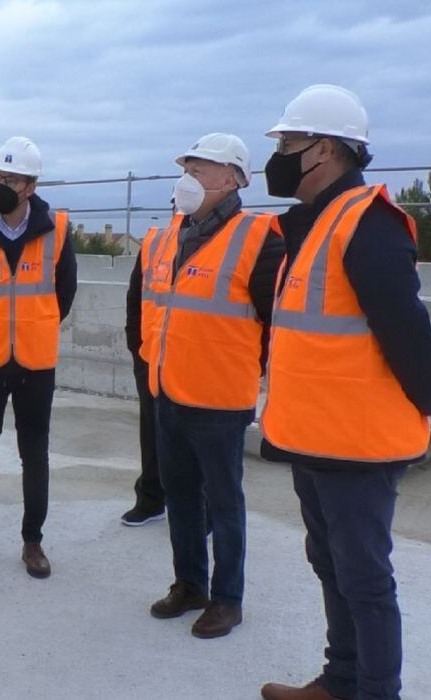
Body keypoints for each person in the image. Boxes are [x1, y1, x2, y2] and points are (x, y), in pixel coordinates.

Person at [258, 85, 431, 700]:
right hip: (313, 437)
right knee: (330, 565)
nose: (281, 154)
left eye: (289, 142)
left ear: (328, 150)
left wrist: (427, 403)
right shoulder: (311, 226)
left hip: (358, 444)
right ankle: (340, 681)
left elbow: (408, 333)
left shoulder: (369, 224)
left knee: (365, 581)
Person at [143, 133, 284, 639]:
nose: (189, 177)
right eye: (189, 167)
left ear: (232, 180)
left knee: (224, 503)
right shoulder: (167, 237)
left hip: (221, 400)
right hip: (169, 392)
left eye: (200, 169)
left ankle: (228, 599)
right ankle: (190, 584)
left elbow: (276, 322)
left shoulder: (259, 238)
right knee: (180, 496)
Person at [0, 136, 77, 579]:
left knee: (34, 454)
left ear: (30, 185)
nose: (1, 185)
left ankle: (33, 542)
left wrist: (33, 327)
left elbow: (65, 292)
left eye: (11, 179)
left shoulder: (57, 229)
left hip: (35, 361)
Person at [120, 224, 165, 526]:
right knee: (151, 432)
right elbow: (136, 297)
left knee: (199, 444)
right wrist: (137, 348)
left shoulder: (234, 241)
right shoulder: (156, 243)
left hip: (206, 364)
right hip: (151, 359)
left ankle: (205, 510)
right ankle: (151, 499)